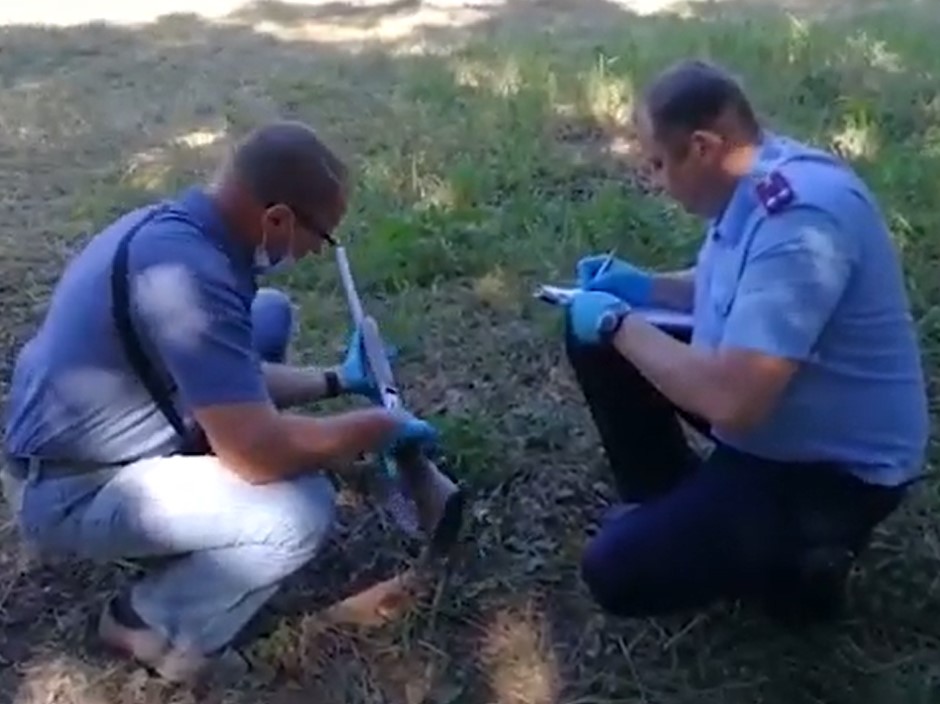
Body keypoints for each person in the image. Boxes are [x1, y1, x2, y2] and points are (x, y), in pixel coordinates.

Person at [1, 120, 438, 682]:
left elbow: (226, 369)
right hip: (71, 487)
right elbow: (256, 453)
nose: (312, 253)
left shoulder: (177, 233)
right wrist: (376, 426)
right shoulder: (191, 279)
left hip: (89, 439)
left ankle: (195, 508)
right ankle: (149, 622)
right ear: (278, 219)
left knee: (268, 313)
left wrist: (337, 380)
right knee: (298, 509)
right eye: (321, 237)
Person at [564, 60, 929, 624]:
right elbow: (733, 283)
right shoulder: (758, 177)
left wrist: (619, 321)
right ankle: (671, 496)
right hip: (782, 412)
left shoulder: (800, 223)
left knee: (616, 569)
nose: (653, 181)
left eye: (659, 163)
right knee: (597, 338)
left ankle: (807, 562)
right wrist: (644, 288)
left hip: (833, 469)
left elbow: (734, 401)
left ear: (704, 147)